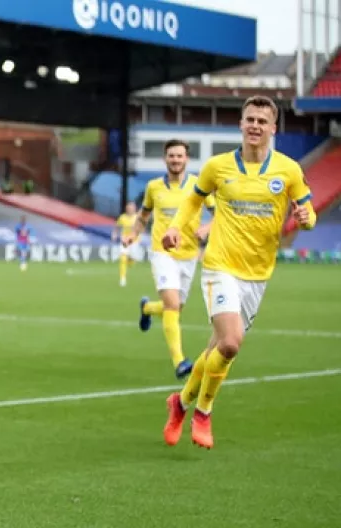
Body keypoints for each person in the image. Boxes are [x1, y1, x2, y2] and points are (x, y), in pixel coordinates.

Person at [161, 96, 316, 449]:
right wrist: (175, 227)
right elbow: (193, 201)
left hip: (257, 275)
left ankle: (179, 403)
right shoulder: (218, 167)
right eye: (250, 119)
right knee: (230, 343)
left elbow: (307, 211)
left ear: (273, 128)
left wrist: (307, 220)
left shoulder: (288, 170)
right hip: (219, 266)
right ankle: (203, 411)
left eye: (263, 121)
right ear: (241, 124)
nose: (255, 126)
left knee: (215, 349)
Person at [124, 140, 214, 380]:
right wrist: (132, 234)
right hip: (162, 253)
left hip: (188, 255)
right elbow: (143, 216)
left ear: (187, 159)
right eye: (171, 156)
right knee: (173, 305)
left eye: (180, 156)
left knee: (174, 308)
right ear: (165, 159)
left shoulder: (197, 185)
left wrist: (208, 226)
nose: (175, 160)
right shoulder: (154, 187)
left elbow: (219, 213)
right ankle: (179, 362)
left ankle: (147, 308)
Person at [112, 201, 138, 287]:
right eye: (129, 208)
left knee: (132, 260)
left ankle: (129, 262)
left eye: (132, 208)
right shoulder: (122, 217)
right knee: (123, 258)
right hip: (125, 241)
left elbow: (141, 228)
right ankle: (122, 279)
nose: (130, 209)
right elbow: (117, 226)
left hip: (134, 242)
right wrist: (115, 234)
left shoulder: (137, 217)